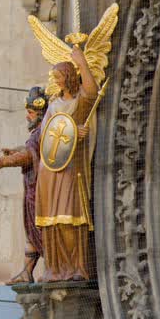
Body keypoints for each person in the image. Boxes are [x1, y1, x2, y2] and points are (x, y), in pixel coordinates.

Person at [35, 43, 99, 281]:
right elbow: (47, 138)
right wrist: (74, 130)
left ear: (70, 77)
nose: (57, 81)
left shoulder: (80, 102)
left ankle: (76, 267)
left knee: (69, 216)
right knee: (51, 221)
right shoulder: (53, 106)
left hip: (72, 168)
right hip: (51, 169)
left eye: (60, 76)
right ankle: (55, 268)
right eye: (55, 77)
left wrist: (81, 61)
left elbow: (92, 93)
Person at [0, 86, 48, 283]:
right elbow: (28, 151)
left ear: (39, 114)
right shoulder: (39, 132)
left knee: (40, 231)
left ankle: (48, 269)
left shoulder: (43, 132)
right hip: (34, 190)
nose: (27, 117)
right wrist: (15, 151)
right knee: (32, 232)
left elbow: (28, 156)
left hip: (41, 193)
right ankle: (26, 272)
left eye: (30, 113)